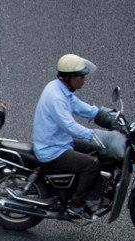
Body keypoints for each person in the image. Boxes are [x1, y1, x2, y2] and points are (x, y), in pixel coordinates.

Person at [33, 54, 109, 219]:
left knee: (96, 151)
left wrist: (105, 116)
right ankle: (77, 205)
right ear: (70, 78)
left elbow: (80, 107)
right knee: (92, 165)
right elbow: (68, 125)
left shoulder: (60, 88)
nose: (84, 80)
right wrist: (91, 134)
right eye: (81, 77)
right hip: (51, 149)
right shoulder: (56, 97)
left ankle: (91, 194)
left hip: (59, 141)